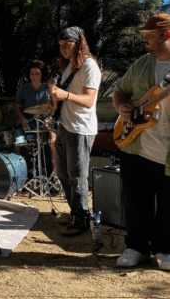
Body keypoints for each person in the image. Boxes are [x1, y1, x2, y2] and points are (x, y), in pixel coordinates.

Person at [113, 13, 170, 270]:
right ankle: (136, 247)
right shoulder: (141, 64)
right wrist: (122, 107)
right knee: (135, 201)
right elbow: (120, 91)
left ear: (166, 35)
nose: (145, 40)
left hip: (167, 149)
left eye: (149, 35)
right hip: (135, 144)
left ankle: (164, 249)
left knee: (168, 203)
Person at [48, 27, 101, 237]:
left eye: (67, 45)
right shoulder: (70, 65)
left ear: (79, 43)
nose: (62, 49)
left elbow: (89, 100)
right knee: (63, 174)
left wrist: (65, 95)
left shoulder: (89, 66)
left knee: (77, 177)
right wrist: (54, 105)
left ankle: (81, 220)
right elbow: (65, 96)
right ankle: (75, 213)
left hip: (80, 129)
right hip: (65, 126)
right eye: (60, 45)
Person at [16, 60, 56, 173]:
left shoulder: (49, 89)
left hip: (44, 125)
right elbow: (18, 108)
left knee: (53, 142)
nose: (34, 77)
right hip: (28, 124)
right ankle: (20, 175)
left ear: (42, 74)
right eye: (31, 74)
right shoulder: (23, 89)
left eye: (37, 74)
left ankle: (55, 176)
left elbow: (54, 108)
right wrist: (23, 119)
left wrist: (49, 118)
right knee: (17, 143)